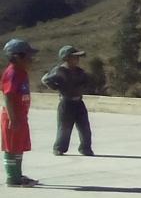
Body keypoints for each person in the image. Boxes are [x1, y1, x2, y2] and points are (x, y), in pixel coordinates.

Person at [41, 45, 94, 157]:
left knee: (84, 127)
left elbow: (87, 81)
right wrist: (55, 87)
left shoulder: (80, 71)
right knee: (64, 128)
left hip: (79, 102)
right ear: (66, 58)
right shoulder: (60, 71)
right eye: (74, 57)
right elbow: (46, 79)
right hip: (66, 103)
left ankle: (85, 148)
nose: (77, 60)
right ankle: (59, 148)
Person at [3, 38, 39, 187]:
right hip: (14, 116)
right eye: (28, 56)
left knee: (19, 146)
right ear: (17, 57)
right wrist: (13, 118)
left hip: (21, 116)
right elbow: (8, 96)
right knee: (11, 147)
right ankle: (12, 178)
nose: (31, 59)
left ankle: (18, 174)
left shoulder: (22, 72)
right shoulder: (12, 73)